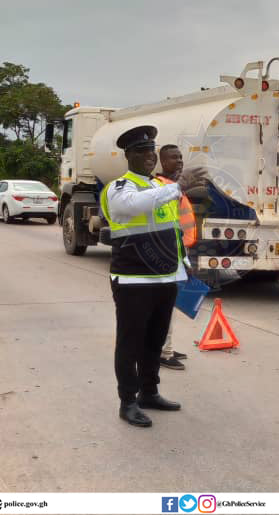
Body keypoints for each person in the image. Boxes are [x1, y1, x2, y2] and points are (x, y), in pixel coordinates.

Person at [100, 125, 206, 428]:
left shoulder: (160, 187)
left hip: (166, 277)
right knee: (130, 342)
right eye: (141, 151)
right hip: (134, 279)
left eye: (151, 151)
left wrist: (183, 264)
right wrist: (176, 186)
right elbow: (131, 207)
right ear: (128, 155)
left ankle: (149, 392)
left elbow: (172, 229)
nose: (148, 156)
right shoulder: (121, 187)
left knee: (155, 342)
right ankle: (128, 401)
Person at [157, 145, 197, 370]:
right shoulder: (163, 188)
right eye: (174, 158)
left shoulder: (173, 186)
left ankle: (165, 346)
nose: (179, 161)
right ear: (162, 161)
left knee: (170, 306)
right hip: (168, 256)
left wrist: (185, 258)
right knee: (165, 308)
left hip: (179, 253)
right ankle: (164, 352)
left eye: (181, 157)